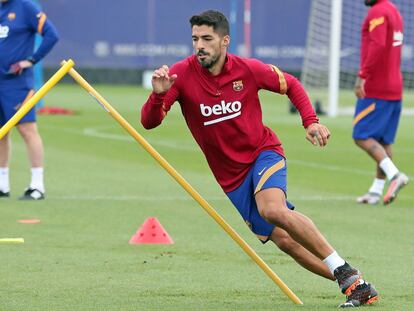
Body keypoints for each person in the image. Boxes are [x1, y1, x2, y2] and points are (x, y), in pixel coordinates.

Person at [141, 10, 378, 308]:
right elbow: (149, 122)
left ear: (224, 41)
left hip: (263, 154)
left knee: (272, 210)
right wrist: (158, 96)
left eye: (207, 39)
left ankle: (344, 272)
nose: (199, 45)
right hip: (231, 178)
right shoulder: (181, 74)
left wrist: (311, 121)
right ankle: (356, 284)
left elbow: (290, 83)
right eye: (195, 39)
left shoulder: (247, 70)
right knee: (285, 241)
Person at [0, 0, 59, 200]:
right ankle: (2, 184)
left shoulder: (25, 6)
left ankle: (37, 185)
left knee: (27, 129)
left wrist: (31, 60)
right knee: (1, 133)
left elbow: (52, 35)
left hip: (17, 83)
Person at [353, 0, 409, 205]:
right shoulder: (394, 11)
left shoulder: (378, 11)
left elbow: (378, 45)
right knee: (384, 142)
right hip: (395, 87)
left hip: (376, 88)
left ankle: (395, 176)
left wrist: (362, 76)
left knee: (361, 135)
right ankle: (376, 191)